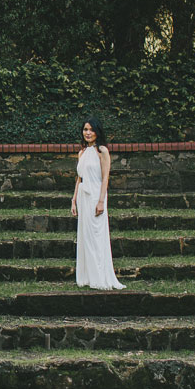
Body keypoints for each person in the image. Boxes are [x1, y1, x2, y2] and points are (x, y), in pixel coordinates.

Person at [70, 117, 125, 290]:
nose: (87, 133)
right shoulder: (82, 152)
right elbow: (79, 178)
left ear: (97, 132)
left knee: (96, 236)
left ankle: (99, 276)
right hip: (83, 198)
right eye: (85, 129)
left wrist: (101, 201)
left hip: (96, 196)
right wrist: (73, 200)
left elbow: (105, 177)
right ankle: (87, 276)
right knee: (85, 236)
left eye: (91, 130)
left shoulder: (103, 151)